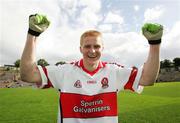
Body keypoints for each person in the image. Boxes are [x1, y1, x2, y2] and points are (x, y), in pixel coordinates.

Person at [20, 14, 163, 123]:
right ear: (80, 49)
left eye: (97, 46)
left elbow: (148, 79)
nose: (92, 51)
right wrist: (32, 34)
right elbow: (28, 75)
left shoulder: (114, 71)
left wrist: (155, 44)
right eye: (87, 46)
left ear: (103, 48)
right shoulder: (64, 71)